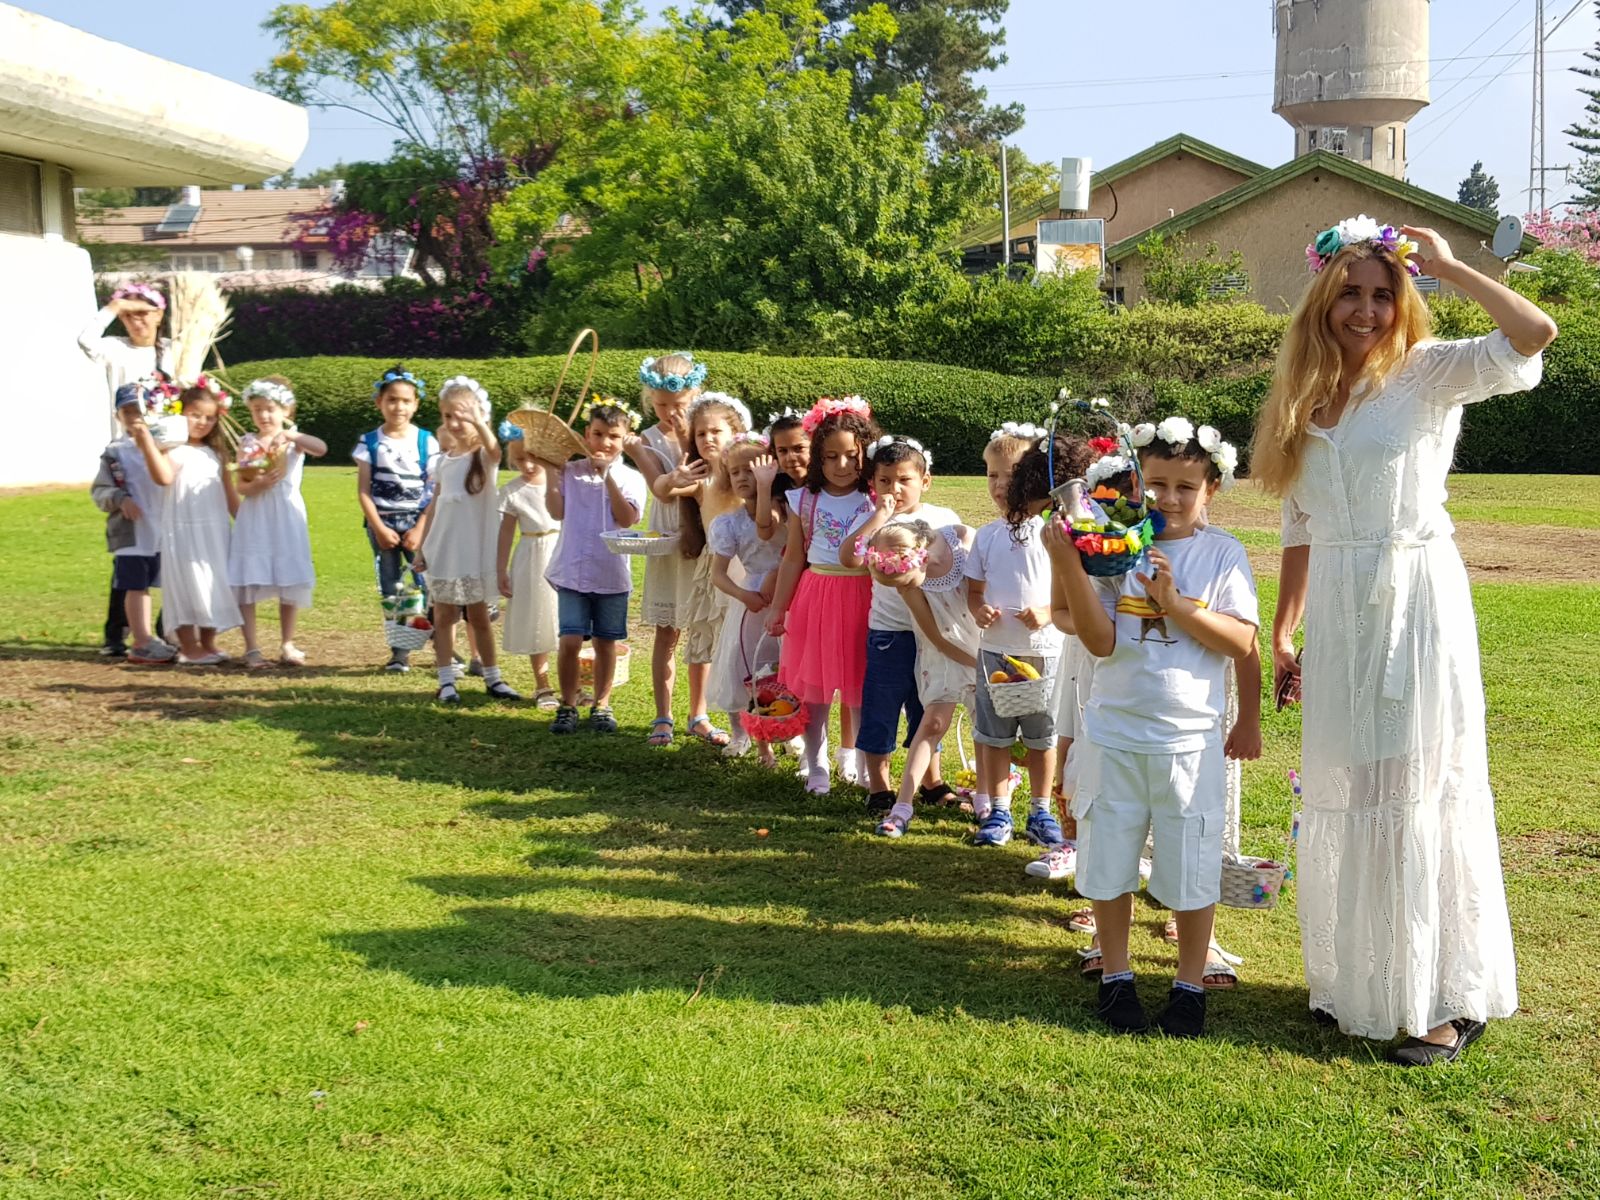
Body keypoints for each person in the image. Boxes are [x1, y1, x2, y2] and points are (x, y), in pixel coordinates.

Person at [1257, 219, 1556, 1065]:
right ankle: (1362, 978)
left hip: (1417, 599)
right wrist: (1283, 631)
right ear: (1322, 298)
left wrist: (1455, 268)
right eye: (1350, 292)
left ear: (1403, 299)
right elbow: (1299, 523)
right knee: (1348, 782)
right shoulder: (1305, 398)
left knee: (1422, 780)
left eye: (1383, 293)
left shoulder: (1430, 372)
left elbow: (1533, 336)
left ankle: (1448, 994)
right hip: (1344, 613)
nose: (1366, 309)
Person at [1048, 421, 1258, 1038]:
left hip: (1189, 740)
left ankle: (1189, 984)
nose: (1167, 499)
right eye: (1155, 484)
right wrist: (1068, 563)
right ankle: (1117, 976)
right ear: (1132, 483)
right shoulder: (1113, 548)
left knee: (1191, 861)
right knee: (1108, 856)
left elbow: (1241, 639)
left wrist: (1176, 604)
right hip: (1114, 733)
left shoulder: (1222, 553)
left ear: (1211, 489)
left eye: (1184, 487)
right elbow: (1101, 640)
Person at [964, 427, 1089, 849]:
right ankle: (998, 811)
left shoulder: (1054, 531)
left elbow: (1070, 593)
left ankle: (1040, 810)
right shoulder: (986, 536)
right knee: (994, 736)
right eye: (990, 476)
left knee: (1043, 736)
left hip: (1045, 654)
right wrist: (979, 609)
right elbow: (974, 590)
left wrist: (1047, 614)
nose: (1000, 486)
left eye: (1010, 475)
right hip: (996, 653)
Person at [765, 396, 880, 793]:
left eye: (851, 455)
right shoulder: (805, 499)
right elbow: (794, 557)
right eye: (831, 457)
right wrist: (779, 607)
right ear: (818, 457)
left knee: (861, 686)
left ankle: (865, 764)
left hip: (865, 596)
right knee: (814, 688)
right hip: (817, 595)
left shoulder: (876, 498)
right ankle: (816, 765)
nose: (842, 465)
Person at [840, 436, 961, 813]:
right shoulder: (872, 521)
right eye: (885, 481)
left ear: (925, 481)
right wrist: (879, 518)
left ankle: (931, 780)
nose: (895, 489)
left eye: (904, 480)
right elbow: (849, 558)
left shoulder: (944, 518)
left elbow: (959, 563)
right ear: (873, 484)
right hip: (890, 632)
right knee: (882, 705)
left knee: (929, 707)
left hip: (933, 632)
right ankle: (879, 785)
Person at [862, 520, 980, 838]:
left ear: (920, 556)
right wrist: (973, 664)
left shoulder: (962, 539)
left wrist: (984, 661)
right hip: (945, 652)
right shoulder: (907, 586)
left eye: (905, 581)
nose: (903, 588)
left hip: (981, 640)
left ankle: (988, 801)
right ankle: (902, 806)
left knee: (985, 725)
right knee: (933, 725)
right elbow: (936, 637)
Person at [647, 392, 749, 749]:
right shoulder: (700, 479)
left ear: (734, 432)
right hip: (715, 572)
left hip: (748, 569)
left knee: (749, 648)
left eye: (716, 432)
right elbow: (661, 491)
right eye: (701, 433)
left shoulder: (746, 471)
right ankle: (731, 727)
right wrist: (672, 476)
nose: (708, 439)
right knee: (714, 646)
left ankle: (765, 724)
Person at [543, 401, 648, 735]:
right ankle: (568, 704)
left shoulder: (631, 478)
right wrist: (549, 472)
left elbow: (627, 517)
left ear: (625, 438)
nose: (604, 443)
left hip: (611, 573)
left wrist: (608, 479)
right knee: (570, 640)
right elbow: (556, 511)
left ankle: (602, 705)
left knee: (606, 642)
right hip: (571, 571)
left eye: (613, 437)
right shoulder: (571, 472)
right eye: (598, 435)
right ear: (586, 435)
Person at [80, 282, 172, 656]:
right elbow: (86, 340)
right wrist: (115, 307)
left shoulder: (172, 352)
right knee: (131, 549)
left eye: (145, 312)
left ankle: (168, 630)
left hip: (165, 448)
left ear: (160, 315)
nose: (137, 321)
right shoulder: (115, 349)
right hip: (127, 450)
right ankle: (116, 633)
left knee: (169, 550)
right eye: (130, 315)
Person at [412, 377, 518, 704]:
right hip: (443, 549)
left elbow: (495, 450)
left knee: (479, 617)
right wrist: (421, 546)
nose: (455, 424)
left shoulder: (482, 458)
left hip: (472, 552)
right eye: (447, 417)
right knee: (443, 616)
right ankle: (446, 680)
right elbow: (434, 506)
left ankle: (493, 676)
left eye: (463, 417)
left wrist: (478, 423)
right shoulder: (443, 461)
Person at [128, 381, 241, 664]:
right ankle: (189, 646)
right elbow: (163, 477)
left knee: (215, 582)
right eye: (195, 415)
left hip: (214, 530)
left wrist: (244, 525)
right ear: (180, 414)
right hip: (183, 530)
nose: (202, 422)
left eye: (209, 417)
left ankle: (208, 641)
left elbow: (230, 494)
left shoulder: (216, 453)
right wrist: (147, 444)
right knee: (187, 584)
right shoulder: (172, 450)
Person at [629, 353, 708, 746]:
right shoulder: (648, 438)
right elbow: (660, 486)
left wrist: (687, 440)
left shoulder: (705, 432)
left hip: (703, 535)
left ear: (695, 397)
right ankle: (663, 714)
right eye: (661, 405)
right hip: (666, 535)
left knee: (701, 629)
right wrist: (673, 463)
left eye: (678, 406)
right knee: (667, 629)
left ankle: (700, 712)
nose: (670, 413)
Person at [229, 377, 327, 668]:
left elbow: (321, 448)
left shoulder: (293, 440)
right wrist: (255, 484)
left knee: (288, 576)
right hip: (256, 514)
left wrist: (293, 437)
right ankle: (252, 648)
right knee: (249, 577)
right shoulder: (247, 443)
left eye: (270, 408)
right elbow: (240, 485)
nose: (264, 415)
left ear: (285, 410)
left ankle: (287, 642)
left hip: (286, 513)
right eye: (257, 409)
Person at [706, 435, 789, 765]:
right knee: (752, 668)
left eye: (750, 470)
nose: (741, 477)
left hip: (789, 593)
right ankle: (760, 742)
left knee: (787, 667)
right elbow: (718, 575)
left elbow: (767, 525)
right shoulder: (728, 523)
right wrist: (745, 595)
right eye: (735, 472)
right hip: (752, 599)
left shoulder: (784, 510)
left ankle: (790, 729)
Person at [353, 366, 440, 673]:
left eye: (405, 401)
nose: (398, 407)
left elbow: (434, 489)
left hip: (417, 523)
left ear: (416, 404)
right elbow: (363, 491)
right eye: (391, 400)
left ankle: (442, 645)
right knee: (393, 590)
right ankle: (400, 652)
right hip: (383, 525)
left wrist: (420, 528)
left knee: (426, 586)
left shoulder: (427, 442)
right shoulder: (370, 443)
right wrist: (378, 527)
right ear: (380, 402)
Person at [91, 383, 176, 664]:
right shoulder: (116, 452)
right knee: (132, 584)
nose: (134, 417)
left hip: (164, 529)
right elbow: (100, 490)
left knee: (170, 584)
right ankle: (132, 638)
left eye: (139, 411)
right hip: (132, 532)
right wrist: (119, 498)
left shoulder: (166, 444)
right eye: (127, 411)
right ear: (118, 416)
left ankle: (167, 636)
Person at [496, 431, 560, 709]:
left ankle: (578, 681)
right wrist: (501, 570)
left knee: (566, 615)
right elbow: (506, 534)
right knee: (538, 617)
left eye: (532, 457)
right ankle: (543, 684)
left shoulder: (559, 482)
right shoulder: (512, 492)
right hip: (531, 556)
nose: (528, 465)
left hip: (560, 549)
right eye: (520, 459)